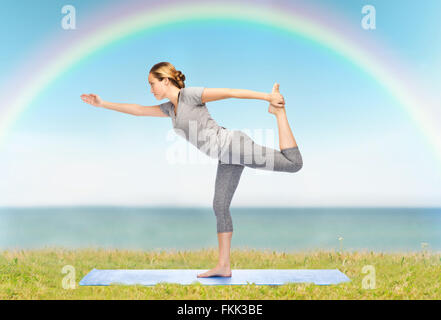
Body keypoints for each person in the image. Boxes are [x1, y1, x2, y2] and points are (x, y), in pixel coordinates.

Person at [80, 61, 303, 278]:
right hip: (226, 158)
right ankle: (223, 266)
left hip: (234, 146)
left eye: (152, 83)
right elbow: (138, 110)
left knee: (293, 163)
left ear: (165, 81)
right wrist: (103, 104)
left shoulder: (190, 96)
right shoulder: (170, 109)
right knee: (220, 206)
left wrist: (268, 97)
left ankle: (278, 113)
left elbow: (230, 92)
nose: (150, 89)